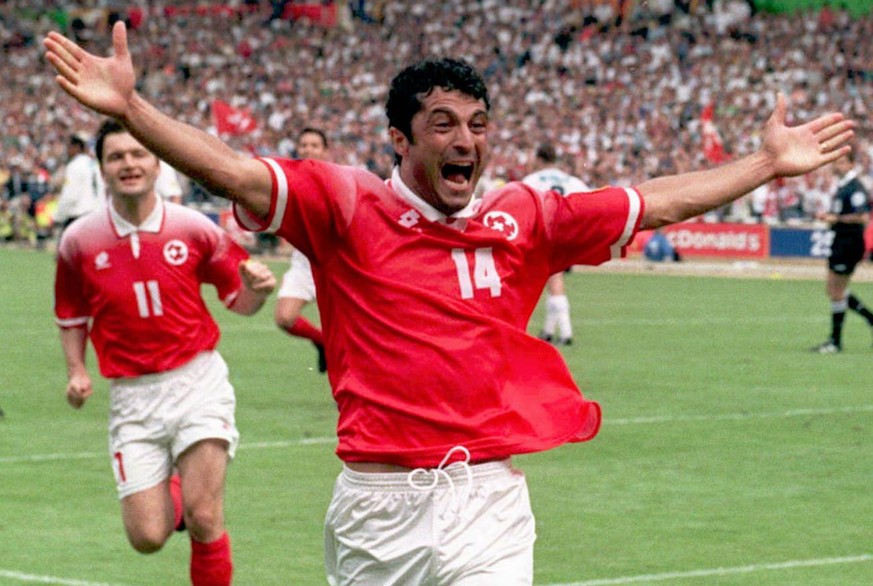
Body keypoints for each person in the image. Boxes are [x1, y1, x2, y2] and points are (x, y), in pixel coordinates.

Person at [45, 23, 854, 585]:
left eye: (476, 123)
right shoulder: (343, 206)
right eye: (442, 124)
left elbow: (655, 201)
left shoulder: (525, 217)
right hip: (376, 505)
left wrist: (763, 163)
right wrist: (132, 113)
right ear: (401, 139)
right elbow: (233, 172)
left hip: (487, 499)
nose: (465, 139)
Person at [52, 118, 276, 585]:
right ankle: (176, 485)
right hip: (132, 397)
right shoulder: (78, 241)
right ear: (102, 170)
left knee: (205, 516)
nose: (128, 164)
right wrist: (76, 370)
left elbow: (239, 299)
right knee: (147, 536)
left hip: (197, 383)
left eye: (138, 154)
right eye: (116, 157)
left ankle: (192, 494)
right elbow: (71, 313)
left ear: (157, 164)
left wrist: (258, 290)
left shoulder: (193, 228)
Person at [522, 143, 589, 345]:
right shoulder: (572, 181)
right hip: (567, 235)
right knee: (551, 280)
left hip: (543, 234)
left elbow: (522, 206)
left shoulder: (531, 180)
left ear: (539, 159)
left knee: (552, 280)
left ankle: (566, 333)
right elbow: (588, 202)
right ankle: (549, 331)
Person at [274, 127, 330, 373]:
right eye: (304, 144)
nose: (308, 149)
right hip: (304, 262)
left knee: (350, 332)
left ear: (325, 152)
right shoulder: (288, 181)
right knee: (285, 318)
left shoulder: (336, 180)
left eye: (314, 145)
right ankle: (322, 341)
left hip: (335, 264)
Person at [811, 150, 873, 353]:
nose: (837, 166)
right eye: (836, 162)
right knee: (834, 290)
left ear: (851, 164)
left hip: (849, 242)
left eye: (841, 162)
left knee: (836, 291)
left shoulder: (855, 187)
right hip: (840, 240)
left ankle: (835, 341)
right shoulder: (843, 186)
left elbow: (862, 216)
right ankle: (869, 320)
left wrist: (834, 218)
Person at [54, 132, 100, 231]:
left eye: (69, 146)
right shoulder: (94, 165)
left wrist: (58, 216)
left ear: (77, 147)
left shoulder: (75, 166)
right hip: (96, 215)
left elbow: (70, 195)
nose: (67, 150)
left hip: (78, 217)